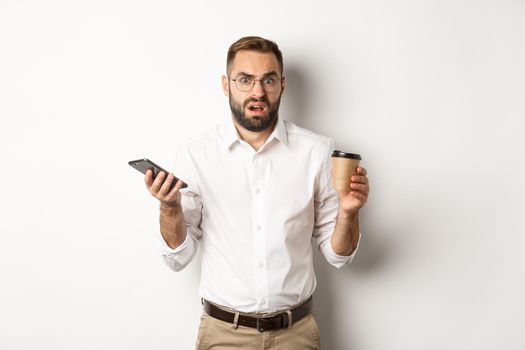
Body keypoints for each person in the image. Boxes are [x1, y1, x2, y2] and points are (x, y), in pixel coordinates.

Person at [144, 36, 370, 350]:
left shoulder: (316, 151)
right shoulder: (196, 154)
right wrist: (169, 208)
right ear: (226, 84)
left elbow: (338, 256)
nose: (257, 91)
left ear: (282, 84)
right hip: (223, 335)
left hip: (296, 335)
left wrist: (349, 212)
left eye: (268, 80)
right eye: (245, 80)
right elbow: (178, 258)